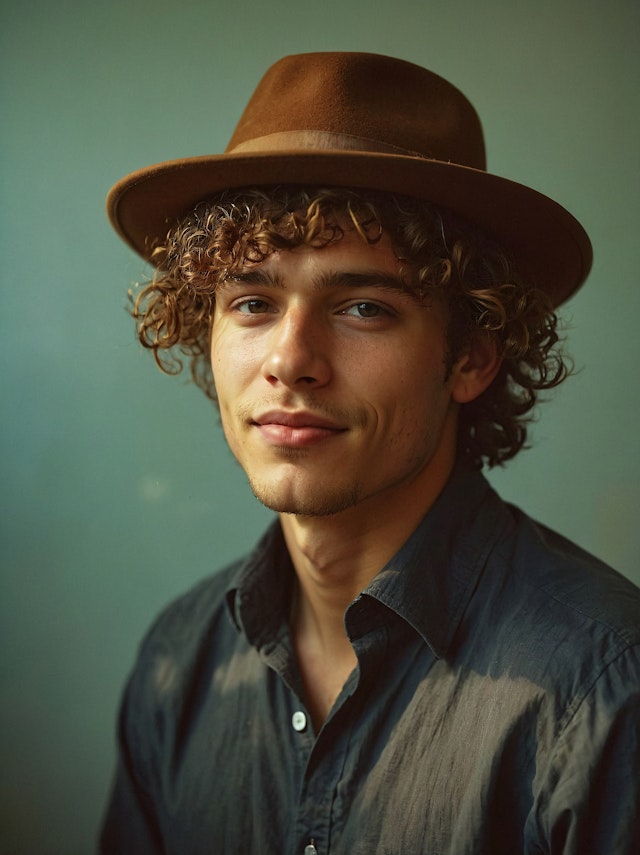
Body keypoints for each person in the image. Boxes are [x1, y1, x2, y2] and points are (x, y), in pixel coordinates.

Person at [100, 52, 640, 854]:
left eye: (362, 306)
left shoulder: (604, 688)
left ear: (471, 357)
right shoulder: (178, 665)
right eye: (252, 301)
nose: (291, 358)